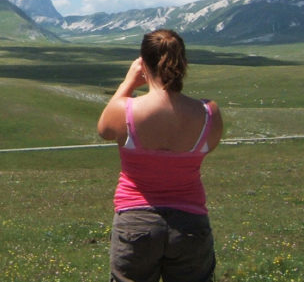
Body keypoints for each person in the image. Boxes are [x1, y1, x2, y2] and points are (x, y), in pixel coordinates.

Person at [96, 29, 224, 282]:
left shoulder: (126, 110)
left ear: (142, 64)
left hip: (135, 220)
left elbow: (104, 130)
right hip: (190, 222)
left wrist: (128, 83)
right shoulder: (208, 112)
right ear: (183, 63)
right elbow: (211, 144)